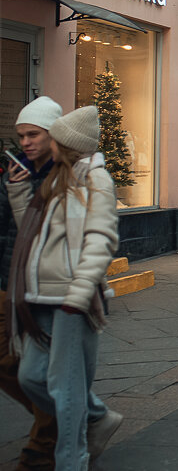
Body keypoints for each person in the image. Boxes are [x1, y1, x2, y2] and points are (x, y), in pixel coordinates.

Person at [6, 106, 123, 469]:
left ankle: (71, 461)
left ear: (65, 144)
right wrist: (18, 192)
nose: (37, 143)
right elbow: (36, 235)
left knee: (64, 387)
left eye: (48, 138)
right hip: (41, 295)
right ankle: (97, 415)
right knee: (30, 377)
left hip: (72, 298)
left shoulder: (95, 179)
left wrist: (80, 290)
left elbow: (101, 239)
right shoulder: (57, 178)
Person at [0, 96, 62, 470]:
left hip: (42, 287)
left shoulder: (65, 176)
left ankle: (45, 443)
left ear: (54, 135)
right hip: (6, 279)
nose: (25, 142)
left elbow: (46, 236)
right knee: (8, 366)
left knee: (31, 369)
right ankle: (59, 421)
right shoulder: (14, 172)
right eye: (21, 135)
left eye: (34, 134)